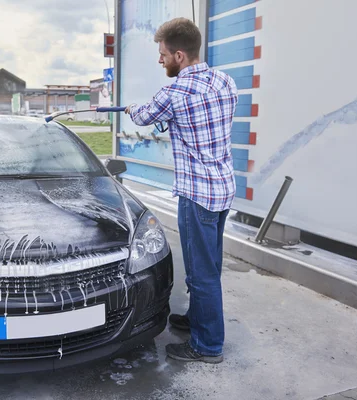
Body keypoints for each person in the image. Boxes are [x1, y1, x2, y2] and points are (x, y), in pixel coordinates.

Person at [125, 17, 238, 364]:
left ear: (179, 55)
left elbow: (143, 117)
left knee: (201, 273)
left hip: (197, 195)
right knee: (210, 266)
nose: (160, 61)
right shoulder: (225, 81)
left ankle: (207, 346)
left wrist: (131, 109)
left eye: (162, 55)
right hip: (222, 190)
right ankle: (198, 320)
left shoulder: (175, 92)